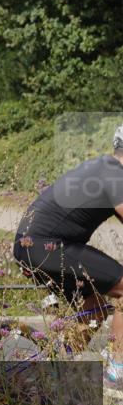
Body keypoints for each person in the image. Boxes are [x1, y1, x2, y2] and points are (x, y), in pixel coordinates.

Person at [13, 123, 123, 384]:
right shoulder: (115, 174)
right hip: (46, 246)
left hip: (32, 246)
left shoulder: (103, 168)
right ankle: (118, 367)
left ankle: (55, 369)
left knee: (95, 306)